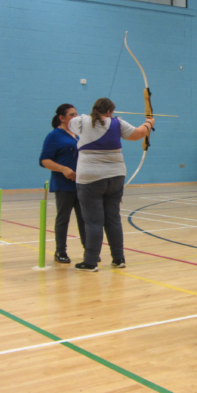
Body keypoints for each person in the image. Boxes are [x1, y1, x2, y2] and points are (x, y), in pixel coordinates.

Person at [69, 97, 154, 272]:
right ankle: (118, 258)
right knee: (113, 219)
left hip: (90, 178)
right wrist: (149, 123)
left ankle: (91, 262)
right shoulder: (118, 123)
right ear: (109, 112)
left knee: (93, 221)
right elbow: (138, 134)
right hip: (116, 177)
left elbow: (71, 124)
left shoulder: (81, 121)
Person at [39, 103, 86, 264]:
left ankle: (89, 250)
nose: (76, 117)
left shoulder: (79, 134)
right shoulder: (54, 136)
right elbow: (44, 160)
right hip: (64, 185)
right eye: (72, 114)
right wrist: (64, 169)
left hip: (82, 184)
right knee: (63, 218)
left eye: (76, 114)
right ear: (62, 117)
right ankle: (61, 251)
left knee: (85, 218)